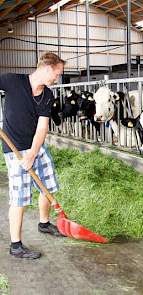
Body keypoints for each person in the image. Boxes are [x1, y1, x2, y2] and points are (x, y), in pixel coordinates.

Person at [0, 52, 65, 259]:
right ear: (47, 68)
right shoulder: (12, 81)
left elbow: (42, 127)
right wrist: (24, 158)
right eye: (57, 74)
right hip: (14, 149)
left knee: (48, 186)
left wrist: (33, 154)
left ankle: (44, 223)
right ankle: (16, 245)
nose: (57, 78)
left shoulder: (47, 95)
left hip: (35, 146)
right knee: (19, 198)